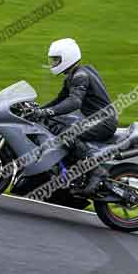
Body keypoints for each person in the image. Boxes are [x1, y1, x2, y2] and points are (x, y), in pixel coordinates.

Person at [29, 38, 118, 195]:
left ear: (67, 57)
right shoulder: (73, 76)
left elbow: (74, 102)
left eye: (57, 60)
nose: (53, 63)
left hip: (104, 121)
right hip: (96, 119)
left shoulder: (81, 76)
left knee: (68, 132)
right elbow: (59, 100)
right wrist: (37, 111)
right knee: (54, 124)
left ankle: (96, 170)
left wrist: (46, 112)